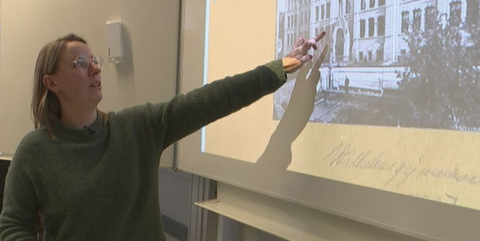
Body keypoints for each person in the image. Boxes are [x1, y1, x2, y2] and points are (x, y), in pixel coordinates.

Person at [0, 31, 327, 241]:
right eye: (81, 63)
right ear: (51, 83)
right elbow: (14, 228)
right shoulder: (34, 151)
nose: (96, 69)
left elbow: (211, 99)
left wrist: (277, 68)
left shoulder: (136, 128)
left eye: (95, 61)